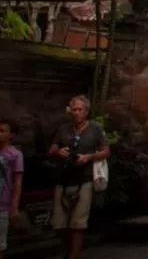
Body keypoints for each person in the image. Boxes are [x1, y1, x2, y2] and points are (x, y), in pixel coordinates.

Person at [48, 96, 109, 259]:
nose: (76, 113)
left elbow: (106, 151)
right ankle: (67, 250)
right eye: (74, 109)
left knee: (78, 223)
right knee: (59, 224)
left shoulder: (95, 128)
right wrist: (58, 152)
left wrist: (89, 157)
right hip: (63, 179)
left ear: (86, 111)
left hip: (85, 180)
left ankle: (73, 256)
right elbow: (52, 148)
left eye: (80, 110)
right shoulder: (64, 129)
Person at [0, 117, 24, 259]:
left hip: (2, 205)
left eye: (2, 131)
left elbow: (17, 181)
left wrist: (14, 206)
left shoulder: (16, 155)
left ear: (11, 135)